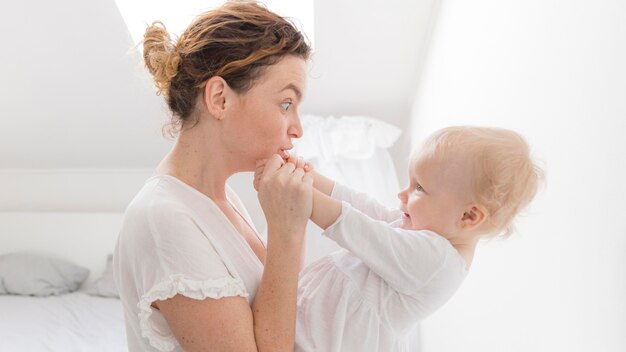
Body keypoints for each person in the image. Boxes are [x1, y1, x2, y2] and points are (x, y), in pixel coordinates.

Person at [112, 1, 312, 351]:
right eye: (285, 104)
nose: (297, 128)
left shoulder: (221, 200)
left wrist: (296, 219)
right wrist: (285, 231)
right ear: (219, 98)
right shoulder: (164, 219)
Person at [254, 126, 544, 352]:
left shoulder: (436, 262)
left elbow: (355, 227)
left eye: (419, 188)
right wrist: (307, 175)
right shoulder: (417, 229)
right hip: (307, 333)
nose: (402, 194)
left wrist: (296, 192)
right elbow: (359, 205)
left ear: (469, 216)